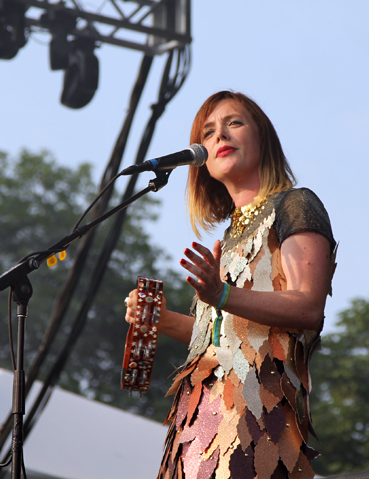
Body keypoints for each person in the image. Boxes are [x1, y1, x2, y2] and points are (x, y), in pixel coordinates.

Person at [125, 91, 337, 479]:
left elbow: (308, 307)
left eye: (233, 123)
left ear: (263, 138)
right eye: (208, 132)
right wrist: (160, 319)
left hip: (256, 422)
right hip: (199, 429)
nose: (219, 135)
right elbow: (224, 339)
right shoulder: (227, 240)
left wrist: (221, 294)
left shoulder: (295, 205)